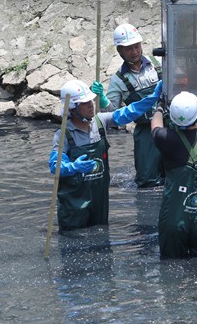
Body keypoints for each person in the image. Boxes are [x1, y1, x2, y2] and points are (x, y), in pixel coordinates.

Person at [49, 79, 163, 231]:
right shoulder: (63, 135)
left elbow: (128, 113)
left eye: (91, 101)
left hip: (99, 200)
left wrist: (152, 99)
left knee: (102, 236)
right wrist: (72, 167)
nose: (91, 105)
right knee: (74, 242)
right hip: (74, 204)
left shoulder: (100, 122)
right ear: (72, 108)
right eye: (85, 103)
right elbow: (55, 166)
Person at [91, 23, 164, 188]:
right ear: (119, 51)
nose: (135, 51)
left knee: (178, 171)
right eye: (129, 48)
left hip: (171, 125)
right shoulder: (117, 80)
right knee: (146, 180)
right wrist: (101, 99)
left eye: (137, 46)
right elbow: (113, 115)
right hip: (146, 132)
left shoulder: (159, 62)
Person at [150, 91, 197, 258]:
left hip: (173, 221)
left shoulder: (164, 138)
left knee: (170, 271)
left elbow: (155, 126)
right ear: (196, 116)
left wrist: (159, 107)